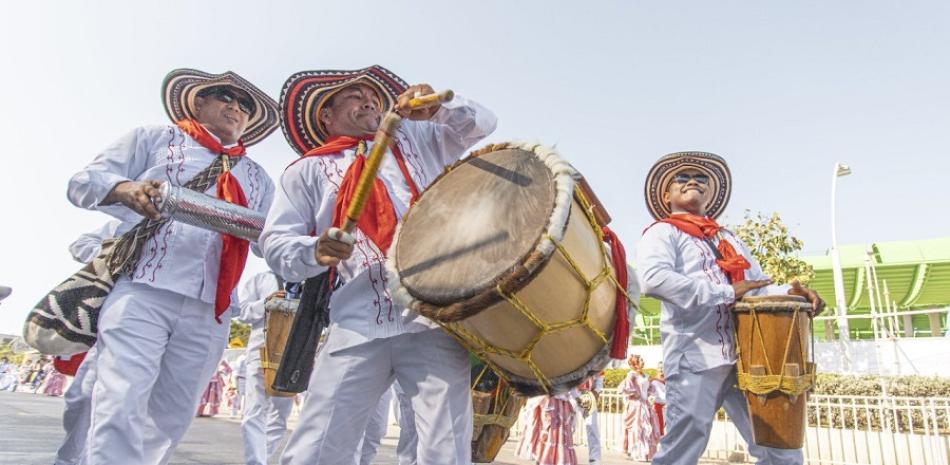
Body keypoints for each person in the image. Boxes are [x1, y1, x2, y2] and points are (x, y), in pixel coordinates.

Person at [261, 65, 496, 465]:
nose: (369, 99)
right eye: (354, 95)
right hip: (356, 320)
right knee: (317, 444)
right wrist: (314, 250)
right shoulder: (306, 171)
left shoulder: (420, 138)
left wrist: (440, 108)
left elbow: (483, 124)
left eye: (373, 95)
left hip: (434, 316)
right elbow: (275, 242)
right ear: (326, 114)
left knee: (444, 446)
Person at [66, 68, 279, 465]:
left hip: (210, 308)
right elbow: (83, 182)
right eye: (224, 97)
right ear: (199, 102)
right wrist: (124, 189)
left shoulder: (258, 178)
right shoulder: (153, 139)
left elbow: (273, 240)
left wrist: (312, 242)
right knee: (119, 399)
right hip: (142, 289)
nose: (235, 106)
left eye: (245, 104)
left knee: (170, 418)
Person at [636, 151, 825, 465]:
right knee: (681, 453)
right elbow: (654, 280)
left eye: (701, 178)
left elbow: (757, 288)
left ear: (709, 194)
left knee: (782, 448)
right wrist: (724, 292)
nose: (692, 180)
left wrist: (794, 295)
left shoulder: (729, 239)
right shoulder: (661, 232)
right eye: (682, 178)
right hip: (696, 358)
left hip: (750, 361)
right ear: (667, 194)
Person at [236, 270, 296, 465]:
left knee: (279, 417)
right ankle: (256, 461)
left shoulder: (307, 280)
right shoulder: (259, 279)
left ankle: (259, 459)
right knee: (254, 412)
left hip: (292, 356)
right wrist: (265, 303)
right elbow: (242, 311)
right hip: (260, 351)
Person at [619, 354, 660, 461]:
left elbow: (651, 388)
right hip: (635, 405)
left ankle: (647, 454)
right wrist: (636, 394)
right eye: (640, 360)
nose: (642, 361)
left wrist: (651, 396)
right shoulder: (631, 375)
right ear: (635, 363)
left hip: (645, 405)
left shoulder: (645, 375)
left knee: (647, 428)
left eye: (642, 359)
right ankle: (637, 453)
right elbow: (626, 389)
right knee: (637, 428)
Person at [575, 373, 603, 464]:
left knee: (592, 427)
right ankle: (562, 454)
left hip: (588, 394)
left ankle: (594, 458)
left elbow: (600, 374)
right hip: (570, 394)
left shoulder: (594, 359)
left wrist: (597, 390)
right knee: (568, 425)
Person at [649, 364, 667, 436]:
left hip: (667, 408)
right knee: (658, 428)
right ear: (657, 369)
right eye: (660, 368)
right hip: (658, 407)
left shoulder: (668, 381)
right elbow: (660, 395)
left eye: (663, 368)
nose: (661, 370)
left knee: (664, 427)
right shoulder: (654, 382)